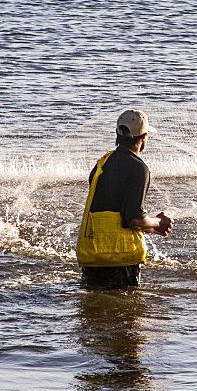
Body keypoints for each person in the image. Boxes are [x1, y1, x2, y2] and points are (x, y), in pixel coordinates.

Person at [77, 109, 173, 290]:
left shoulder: (102, 164)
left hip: (93, 254)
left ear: (117, 134)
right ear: (143, 138)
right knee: (126, 308)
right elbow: (134, 219)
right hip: (120, 257)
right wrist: (158, 222)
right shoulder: (139, 168)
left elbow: (112, 212)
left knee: (94, 306)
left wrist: (150, 227)